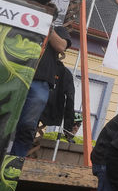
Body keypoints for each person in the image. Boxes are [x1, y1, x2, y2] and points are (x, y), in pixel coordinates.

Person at [10, 25, 72, 157]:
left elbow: (61, 46)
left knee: (27, 125)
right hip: (13, 75)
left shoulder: (58, 29)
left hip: (39, 80)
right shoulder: (22, 17)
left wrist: (47, 24)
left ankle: (15, 162)